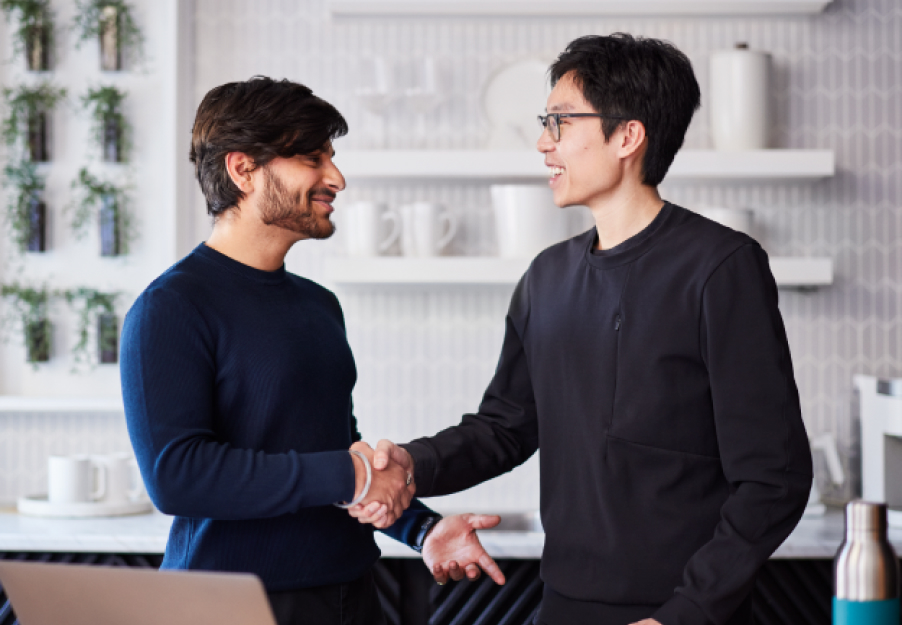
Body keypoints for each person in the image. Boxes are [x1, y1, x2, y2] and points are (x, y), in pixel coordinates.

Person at [355, 34, 813, 625]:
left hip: (679, 613)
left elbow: (773, 478)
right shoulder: (546, 276)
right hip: (564, 604)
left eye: (560, 122)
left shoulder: (721, 268)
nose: (544, 143)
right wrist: (409, 463)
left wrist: (688, 613)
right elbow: (504, 429)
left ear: (628, 136)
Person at [120, 76, 503, 625]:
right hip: (230, 606)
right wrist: (352, 475)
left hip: (350, 595)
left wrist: (421, 528)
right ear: (243, 169)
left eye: (332, 157)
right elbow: (177, 475)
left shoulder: (319, 306)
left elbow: (333, 453)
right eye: (311, 158)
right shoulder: (170, 307)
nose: (337, 178)